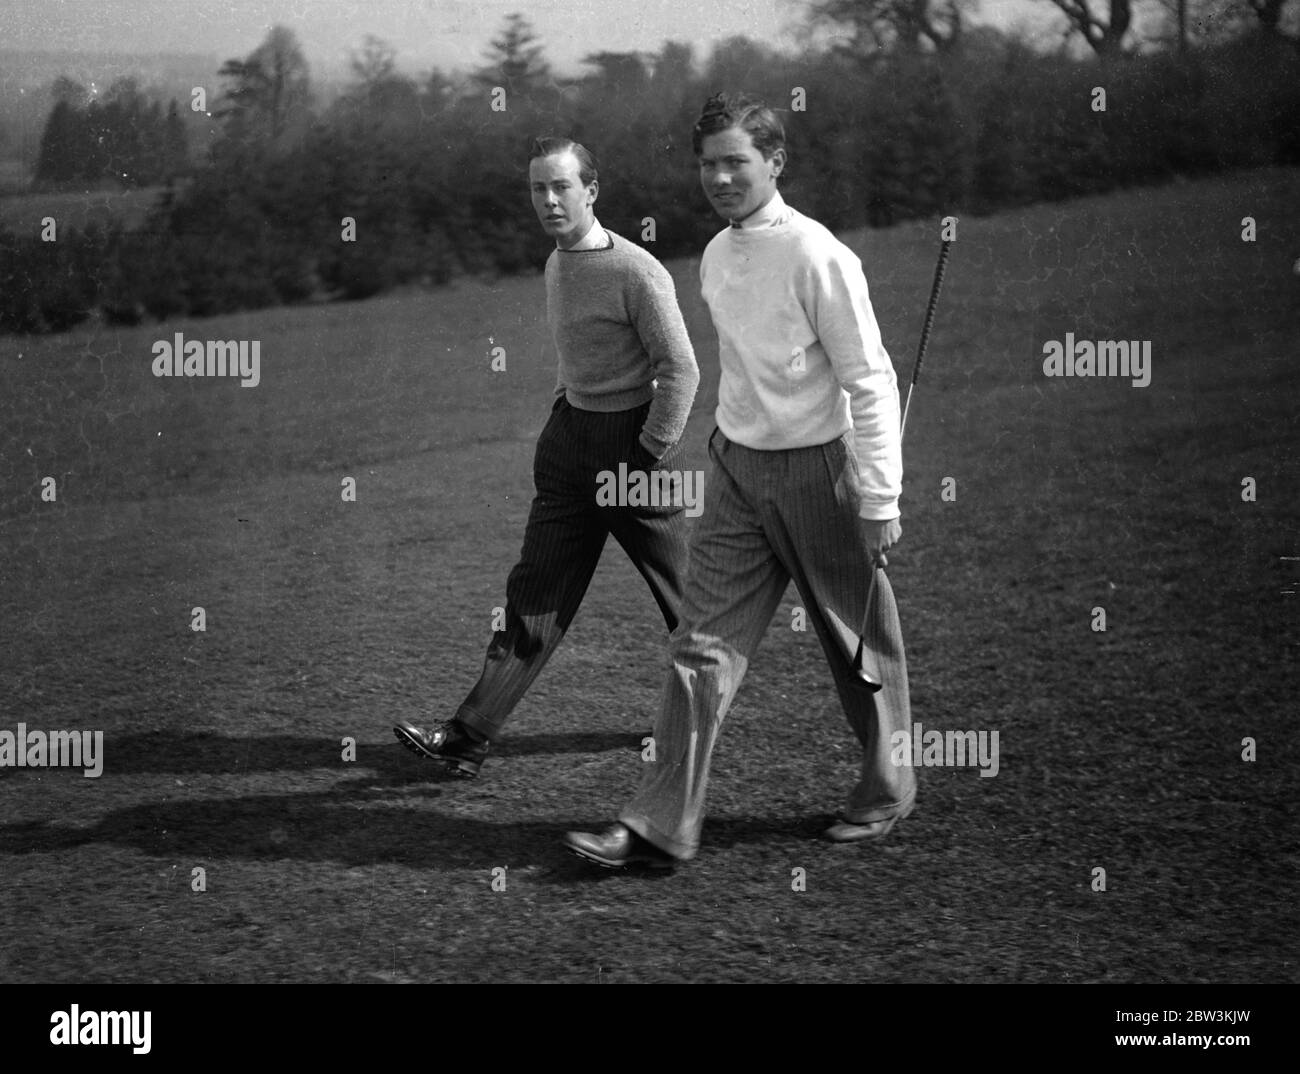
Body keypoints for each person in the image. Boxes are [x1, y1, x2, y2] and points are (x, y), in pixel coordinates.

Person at [566, 94, 914, 868]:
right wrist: (725, 443)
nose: (720, 177)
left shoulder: (819, 255)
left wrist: (880, 494)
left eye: (737, 162)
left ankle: (887, 788)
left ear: (774, 163)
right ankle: (661, 824)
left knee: (856, 643)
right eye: (708, 164)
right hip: (736, 470)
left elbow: (869, 376)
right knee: (699, 646)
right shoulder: (717, 256)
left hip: (823, 473)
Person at [394, 137, 700, 778]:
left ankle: (702, 718)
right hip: (568, 447)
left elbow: (682, 370)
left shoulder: (636, 270)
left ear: (592, 190)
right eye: (539, 188)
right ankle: (469, 736)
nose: (549, 200)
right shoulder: (557, 263)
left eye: (562, 187)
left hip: (629, 453)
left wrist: (648, 451)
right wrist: (563, 410)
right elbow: (577, 353)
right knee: (534, 592)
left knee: (689, 602)